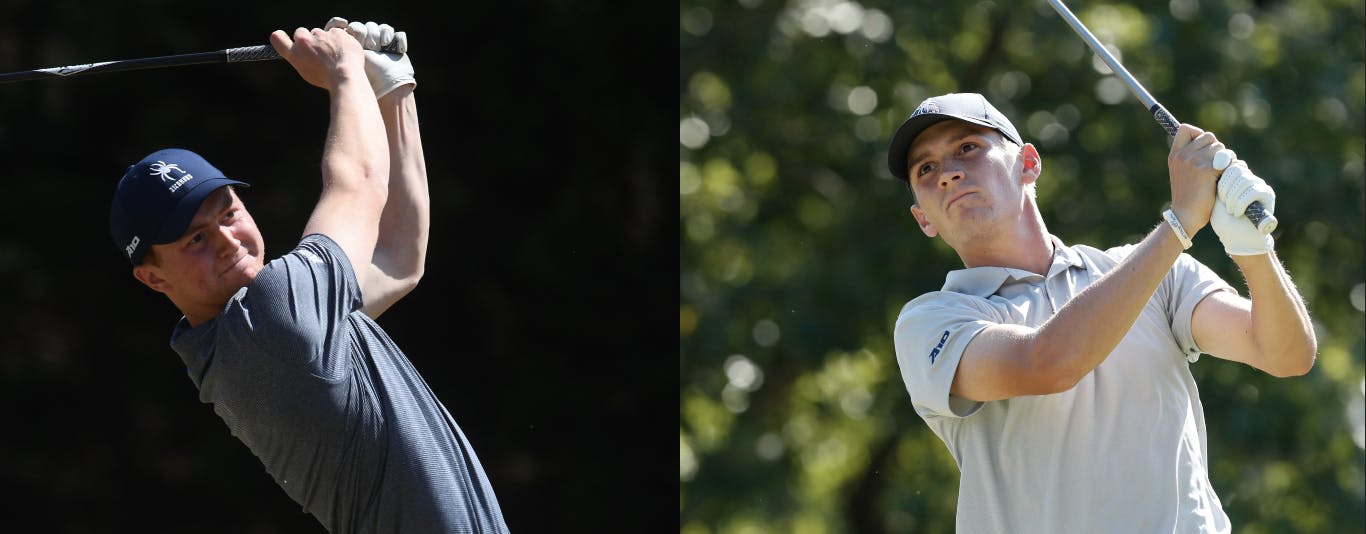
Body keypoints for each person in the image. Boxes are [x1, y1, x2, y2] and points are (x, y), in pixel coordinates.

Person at [107, 18, 509, 533]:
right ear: (154, 278)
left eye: (228, 214)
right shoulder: (273, 321)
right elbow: (359, 184)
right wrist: (344, 73)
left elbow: (398, 257)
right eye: (195, 239)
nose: (229, 241)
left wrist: (392, 90)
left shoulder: (255, 333)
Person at [888, 92, 1316, 533]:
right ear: (924, 219)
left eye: (967, 148)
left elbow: (1285, 354)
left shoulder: (1160, 273)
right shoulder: (931, 322)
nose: (949, 174)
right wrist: (1180, 223)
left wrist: (1253, 251)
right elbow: (1048, 363)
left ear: (1028, 164)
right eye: (926, 169)